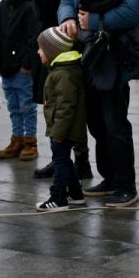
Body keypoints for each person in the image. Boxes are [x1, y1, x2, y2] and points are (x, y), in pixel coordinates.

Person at [58, 0, 139, 207]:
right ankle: (109, 178)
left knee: (115, 124)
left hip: (114, 58)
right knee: (97, 124)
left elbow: (136, 9)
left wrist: (94, 22)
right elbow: (66, 0)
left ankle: (126, 185)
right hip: (90, 57)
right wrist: (68, 18)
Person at [30, 0, 89, 180]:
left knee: (65, 109)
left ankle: (76, 162)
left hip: (63, 51)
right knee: (57, 107)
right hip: (51, 50)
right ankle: (63, 159)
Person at [34, 26, 87, 210]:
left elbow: (66, 107)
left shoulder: (63, 74)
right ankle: (76, 194)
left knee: (60, 161)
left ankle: (58, 198)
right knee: (64, 159)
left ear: (52, 51)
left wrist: (58, 132)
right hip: (62, 128)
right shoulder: (60, 70)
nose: (38, 52)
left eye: (41, 48)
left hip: (63, 130)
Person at [0, 0, 40, 160]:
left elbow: (32, 37)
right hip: (6, 66)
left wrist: (27, 63)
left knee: (27, 104)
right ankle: (16, 138)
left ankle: (30, 141)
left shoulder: (30, 7)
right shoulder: (1, 8)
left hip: (22, 66)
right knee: (13, 105)